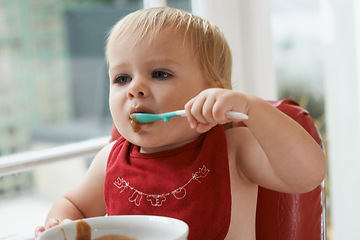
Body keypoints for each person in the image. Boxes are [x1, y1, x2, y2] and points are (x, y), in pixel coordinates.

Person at [35, 6, 326, 240]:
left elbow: (307, 174)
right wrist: (59, 225)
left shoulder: (234, 150)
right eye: (122, 78)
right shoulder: (110, 160)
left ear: (213, 92)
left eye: (160, 74)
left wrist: (253, 108)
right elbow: (73, 205)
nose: (135, 88)